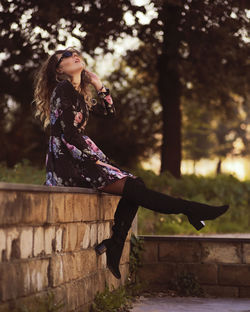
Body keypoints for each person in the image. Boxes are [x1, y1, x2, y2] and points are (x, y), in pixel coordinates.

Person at [32, 46, 230, 280]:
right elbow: (67, 134)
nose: (72, 55)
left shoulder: (77, 92)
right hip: (70, 162)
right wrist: (93, 159)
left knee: (136, 184)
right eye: (64, 57)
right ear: (59, 69)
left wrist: (98, 85)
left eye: (74, 53)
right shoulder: (63, 89)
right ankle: (190, 210)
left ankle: (116, 243)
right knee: (134, 187)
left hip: (82, 157)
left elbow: (110, 113)